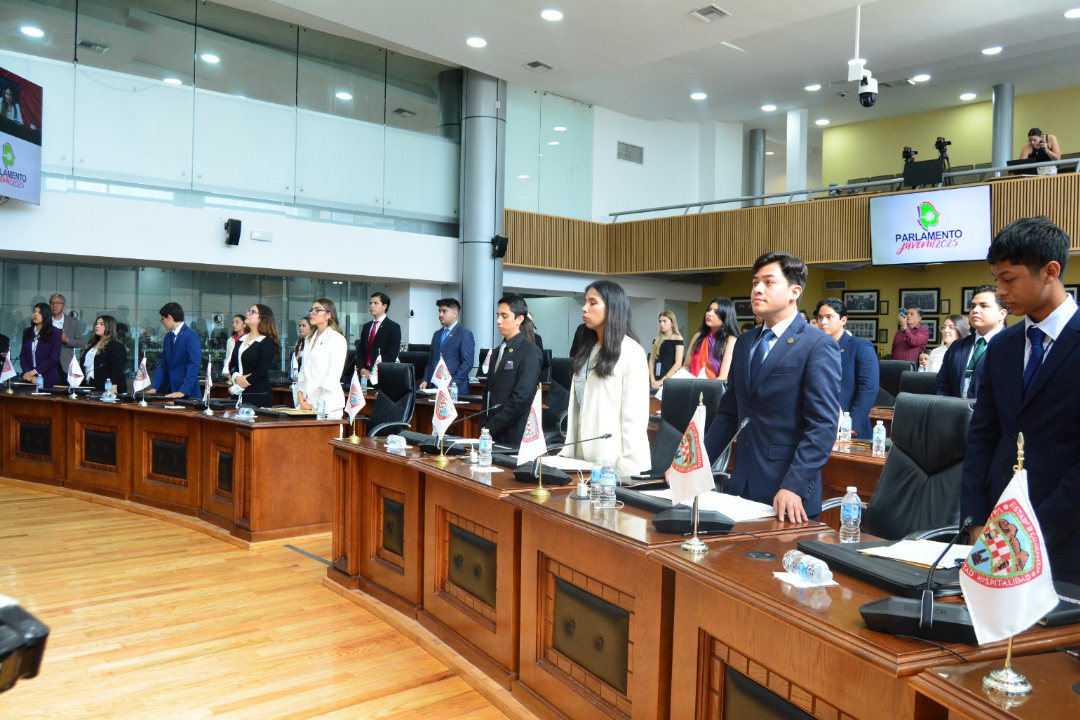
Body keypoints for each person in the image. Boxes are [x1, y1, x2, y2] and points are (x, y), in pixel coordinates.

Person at [962, 216, 1080, 584]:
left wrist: (1034, 532)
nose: (999, 291)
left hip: (1067, 537)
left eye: (1009, 279)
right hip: (997, 530)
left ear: (1050, 271)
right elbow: (982, 436)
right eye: (997, 278)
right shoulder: (1003, 346)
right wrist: (977, 519)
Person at [703, 252, 841, 522]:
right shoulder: (745, 342)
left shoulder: (816, 344)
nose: (757, 289)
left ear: (794, 291)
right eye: (755, 282)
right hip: (742, 486)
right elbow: (729, 414)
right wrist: (692, 467)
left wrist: (795, 485)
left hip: (787, 492)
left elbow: (823, 425)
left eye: (768, 282)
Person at [560, 280, 651, 476]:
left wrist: (627, 470)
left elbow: (634, 418)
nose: (584, 308)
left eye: (593, 303)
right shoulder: (586, 349)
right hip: (581, 458)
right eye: (585, 302)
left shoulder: (631, 352)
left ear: (612, 309)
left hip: (613, 464)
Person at [483, 296, 544, 447]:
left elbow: (521, 399)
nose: (498, 320)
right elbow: (489, 392)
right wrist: (485, 426)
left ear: (519, 319)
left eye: (504, 316)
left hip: (514, 433)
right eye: (498, 315)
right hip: (490, 431)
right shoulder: (497, 351)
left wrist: (491, 427)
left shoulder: (530, 352)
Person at [815, 298, 879, 440]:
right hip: (818, 423)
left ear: (843, 320)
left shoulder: (860, 346)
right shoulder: (814, 348)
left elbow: (869, 388)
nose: (823, 322)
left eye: (829, 317)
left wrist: (852, 424)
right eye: (820, 317)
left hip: (848, 425)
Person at [934, 286, 1008, 399]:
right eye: (973, 306)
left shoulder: (1012, 345)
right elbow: (942, 385)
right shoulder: (957, 346)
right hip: (954, 413)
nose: (975, 310)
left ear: (1002, 314)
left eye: (984, 306)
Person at [296, 298, 348, 417]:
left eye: (317, 310)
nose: (312, 313)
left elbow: (333, 375)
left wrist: (312, 401)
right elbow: (303, 370)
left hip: (328, 403)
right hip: (307, 404)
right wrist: (300, 393)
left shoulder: (336, 339)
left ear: (328, 314)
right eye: (311, 310)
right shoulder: (309, 338)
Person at [419, 298, 475, 397]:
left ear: (455, 313)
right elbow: (431, 360)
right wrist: (425, 380)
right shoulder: (437, 334)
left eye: (444, 311)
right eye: (439, 311)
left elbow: (467, 363)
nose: (440, 315)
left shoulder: (465, 334)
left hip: (454, 389)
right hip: (434, 387)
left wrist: (452, 383)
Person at [147, 302, 202, 398]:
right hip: (169, 391)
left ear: (169, 317)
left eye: (162, 319)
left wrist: (183, 391)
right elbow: (163, 364)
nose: (162, 322)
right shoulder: (168, 337)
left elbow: (194, 365)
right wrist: (154, 387)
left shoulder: (191, 336)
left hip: (187, 393)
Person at [229, 305, 279, 408]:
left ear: (262, 318)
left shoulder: (266, 342)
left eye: (252, 312)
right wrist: (236, 377)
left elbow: (261, 371)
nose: (247, 313)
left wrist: (238, 386)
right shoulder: (242, 339)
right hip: (238, 395)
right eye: (248, 311)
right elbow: (232, 364)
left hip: (257, 394)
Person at [684, 297, 739, 380]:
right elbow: (686, 365)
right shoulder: (698, 337)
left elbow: (723, 377)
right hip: (692, 388)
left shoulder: (730, 341)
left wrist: (706, 390)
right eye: (709, 310)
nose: (709, 314)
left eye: (716, 312)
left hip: (715, 389)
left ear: (726, 317)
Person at [355, 292, 401, 379]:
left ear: (385, 306)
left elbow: (391, 354)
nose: (372, 306)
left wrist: (373, 370)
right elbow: (360, 350)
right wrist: (362, 368)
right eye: (371, 303)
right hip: (364, 373)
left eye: (376, 303)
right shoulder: (366, 326)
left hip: (381, 373)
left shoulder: (393, 327)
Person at [80, 315, 128, 394]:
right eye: (96, 324)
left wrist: (114, 385)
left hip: (107, 387)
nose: (97, 326)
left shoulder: (115, 345)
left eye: (101, 324)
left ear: (109, 326)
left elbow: (116, 368)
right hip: (89, 385)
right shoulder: (91, 345)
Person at [19, 302, 62, 387]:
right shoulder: (27, 331)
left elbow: (54, 358)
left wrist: (33, 372)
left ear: (46, 315)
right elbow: (23, 355)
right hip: (29, 379)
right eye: (34, 311)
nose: (35, 314)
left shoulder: (55, 332)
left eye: (39, 312)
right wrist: (29, 375)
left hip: (48, 379)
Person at [648, 311, 684, 389]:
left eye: (665, 321)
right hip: (656, 376)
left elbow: (678, 363)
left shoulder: (678, 338)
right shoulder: (656, 339)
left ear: (672, 323)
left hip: (670, 377)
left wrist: (663, 380)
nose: (661, 324)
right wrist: (652, 379)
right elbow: (651, 361)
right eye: (660, 321)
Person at [49, 294, 85, 372]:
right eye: (52, 303)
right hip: (47, 362)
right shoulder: (45, 321)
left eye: (58, 303)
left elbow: (81, 343)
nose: (54, 305)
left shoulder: (73, 322)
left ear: (64, 306)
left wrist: (67, 340)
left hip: (65, 364)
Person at [222, 314, 245, 379]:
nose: (234, 324)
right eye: (232, 322)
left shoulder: (248, 338)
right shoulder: (230, 340)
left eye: (237, 322)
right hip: (231, 370)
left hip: (243, 370)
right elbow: (228, 357)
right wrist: (226, 369)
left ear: (244, 324)